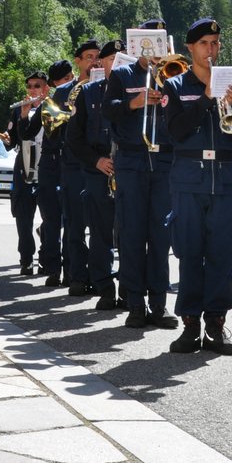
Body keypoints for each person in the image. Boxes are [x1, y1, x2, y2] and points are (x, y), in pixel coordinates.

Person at [164, 18, 232, 355]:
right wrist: (205, 99)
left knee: (221, 253)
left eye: (216, 43)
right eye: (205, 44)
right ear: (190, 48)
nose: (212, 50)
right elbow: (175, 132)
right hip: (188, 178)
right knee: (190, 251)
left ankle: (216, 323)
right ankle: (190, 323)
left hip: (223, 178)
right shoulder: (175, 87)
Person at [103, 22, 179, 329]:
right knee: (133, 236)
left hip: (164, 162)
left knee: (161, 238)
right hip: (133, 160)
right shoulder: (123, 75)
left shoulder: (175, 76)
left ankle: (159, 304)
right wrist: (134, 102)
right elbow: (108, 111)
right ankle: (135, 303)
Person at [67, 39, 122, 309]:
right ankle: (104, 288)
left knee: (131, 233)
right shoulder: (88, 93)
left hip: (130, 168)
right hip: (98, 168)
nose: (119, 65)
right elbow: (74, 139)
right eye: (113, 60)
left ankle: (130, 290)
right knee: (100, 233)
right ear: (102, 62)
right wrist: (97, 160)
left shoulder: (141, 91)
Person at [54, 40, 100, 297]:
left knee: (99, 225)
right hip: (73, 164)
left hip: (98, 164)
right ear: (78, 61)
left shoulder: (106, 87)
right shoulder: (63, 92)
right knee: (74, 224)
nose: (94, 61)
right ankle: (76, 275)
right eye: (89, 57)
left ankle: (98, 274)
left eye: (97, 57)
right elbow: (55, 130)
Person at [7, 70, 48, 277]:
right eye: (30, 86)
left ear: (46, 89)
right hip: (23, 168)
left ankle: (46, 255)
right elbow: (13, 140)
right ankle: (26, 259)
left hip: (46, 169)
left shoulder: (51, 108)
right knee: (23, 217)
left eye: (37, 86)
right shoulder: (18, 111)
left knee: (50, 217)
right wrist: (4, 136)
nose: (32, 90)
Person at [35, 60, 72, 287]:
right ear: (55, 83)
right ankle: (52, 268)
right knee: (51, 220)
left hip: (69, 164)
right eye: (65, 79)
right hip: (50, 165)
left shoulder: (79, 96)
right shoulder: (49, 102)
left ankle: (70, 269)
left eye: (71, 77)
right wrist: (27, 112)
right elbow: (44, 132)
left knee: (71, 220)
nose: (70, 81)